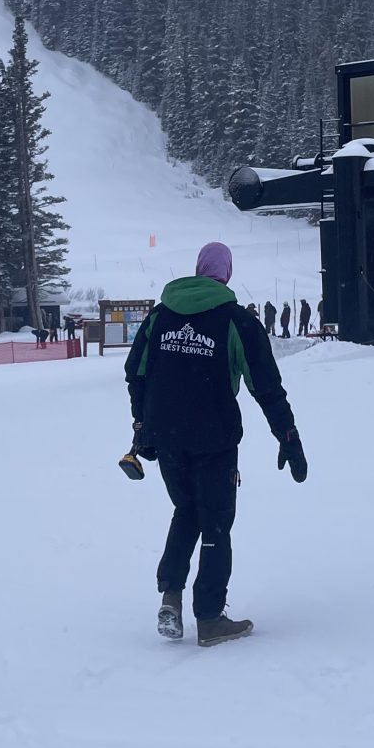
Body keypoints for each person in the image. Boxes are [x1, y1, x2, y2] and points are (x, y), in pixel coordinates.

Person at [125, 241, 306, 647]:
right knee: (216, 522)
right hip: (215, 439)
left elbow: (134, 373)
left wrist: (143, 425)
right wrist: (288, 437)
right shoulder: (235, 321)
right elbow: (266, 385)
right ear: (225, 274)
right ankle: (209, 617)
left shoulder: (160, 316)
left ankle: (171, 597)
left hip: (168, 438)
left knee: (186, 509)